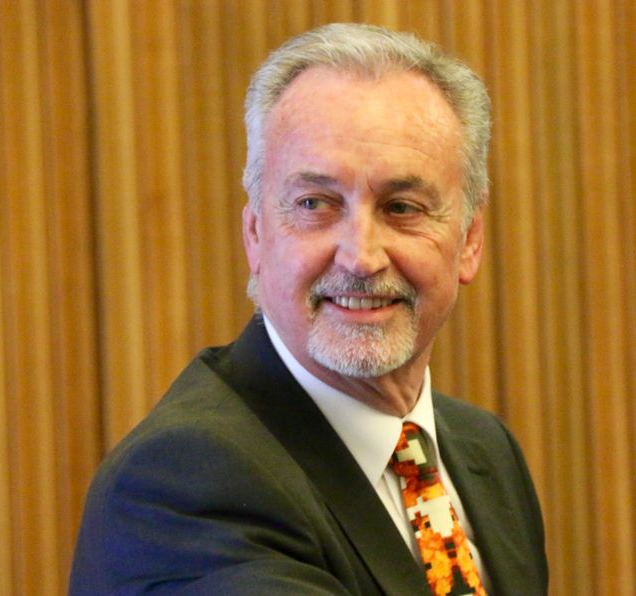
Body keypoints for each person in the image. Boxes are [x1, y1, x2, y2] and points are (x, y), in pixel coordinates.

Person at [70, 23, 548, 595]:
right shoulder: (186, 479)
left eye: (401, 207)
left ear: (469, 240)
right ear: (255, 234)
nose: (361, 257)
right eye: (315, 204)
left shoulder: (482, 451)